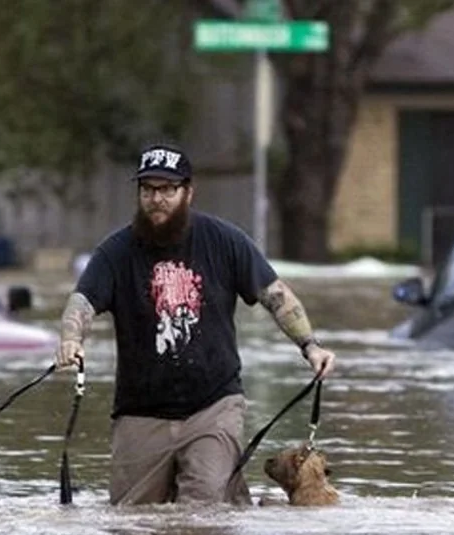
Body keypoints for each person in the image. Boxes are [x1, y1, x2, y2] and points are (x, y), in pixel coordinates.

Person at [55, 143, 336, 506]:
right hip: (140, 410)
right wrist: (70, 339)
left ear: (188, 192)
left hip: (213, 407)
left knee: (205, 512)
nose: (157, 199)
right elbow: (81, 301)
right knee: (132, 525)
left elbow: (276, 295)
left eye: (167, 189)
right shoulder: (115, 252)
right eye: (148, 189)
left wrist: (310, 346)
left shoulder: (226, 241)